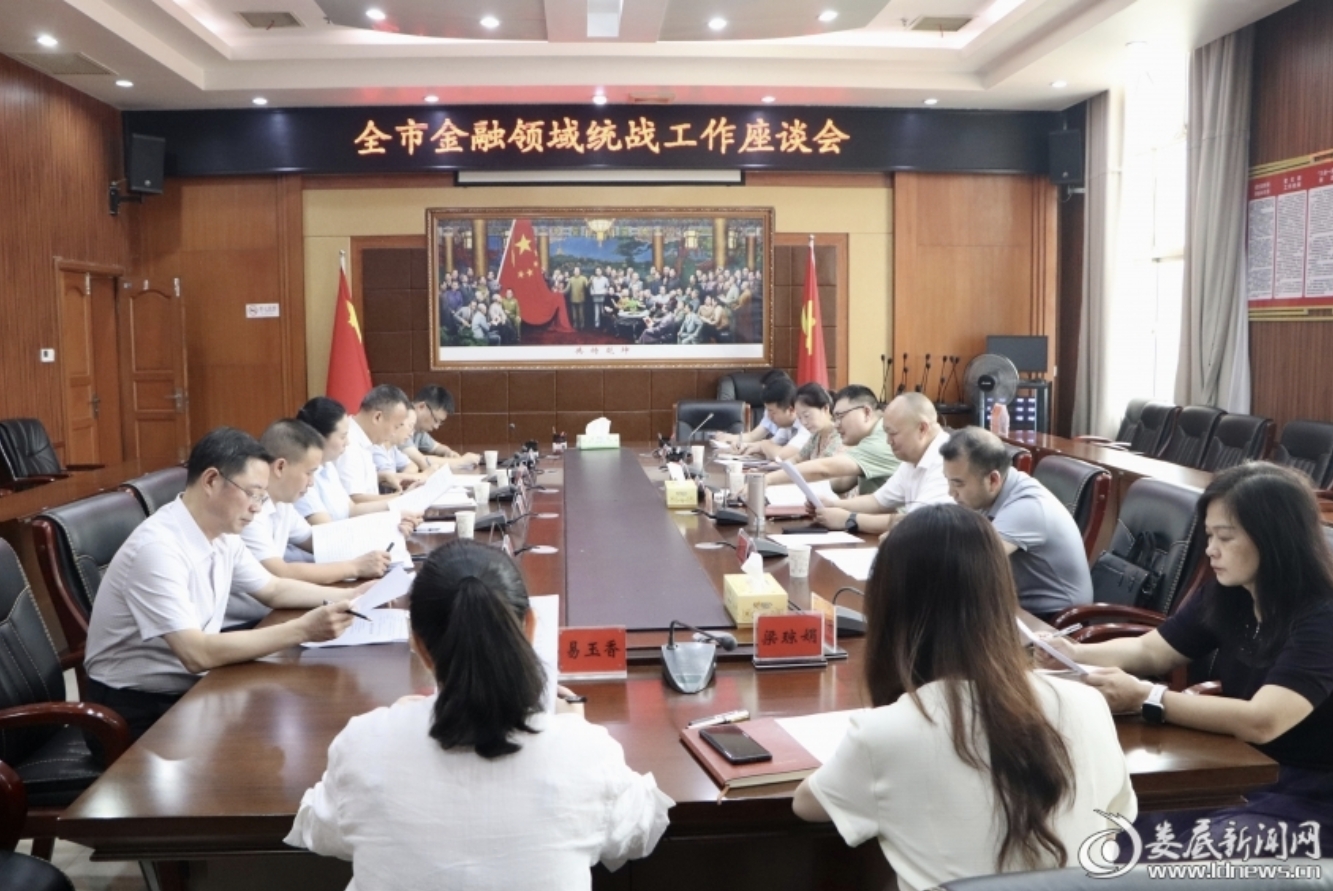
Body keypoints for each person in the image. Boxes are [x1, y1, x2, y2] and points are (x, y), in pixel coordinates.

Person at [285, 539, 673, 889]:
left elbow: (317, 829)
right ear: (530, 627)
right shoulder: (584, 751)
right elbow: (642, 831)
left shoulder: (364, 743)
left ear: (418, 643)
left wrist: (392, 723)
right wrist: (573, 725)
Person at [793, 505, 1135, 891]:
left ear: (889, 609)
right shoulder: (1088, 704)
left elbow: (807, 805)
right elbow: (1118, 814)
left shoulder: (884, 733)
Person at [1039, 462, 1333, 850]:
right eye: (1209, 535)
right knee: (1113, 823)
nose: (1211, 550)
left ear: (1275, 538)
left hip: (1310, 793)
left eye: (1225, 537)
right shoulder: (1229, 593)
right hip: (1239, 767)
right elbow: (1151, 650)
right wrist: (1075, 652)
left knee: (1189, 852)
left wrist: (1148, 698)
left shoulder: (1322, 616)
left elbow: (1264, 720)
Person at [83, 427, 359, 740]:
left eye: (262, 497)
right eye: (252, 494)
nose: (257, 507)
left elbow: (273, 589)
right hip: (136, 709)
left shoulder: (222, 533)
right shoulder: (157, 549)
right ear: (212, 480)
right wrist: (304, 630)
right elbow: (196, 653)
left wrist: (351, 595)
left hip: (194, 686)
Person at [231, 419, 391, 627]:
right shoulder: (248, 511)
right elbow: (280, 573)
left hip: (275, 611)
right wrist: (354, 567)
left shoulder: (283, 504)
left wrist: (385, 534)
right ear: (280, 466)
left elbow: (319, 541)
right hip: (243, 623)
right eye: (309, 473)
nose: (312, 482)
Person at [938, 427, 1092, 619]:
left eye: (958, 484)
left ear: (993, 480)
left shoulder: (1026, 507)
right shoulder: (991, 491)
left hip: (1055, 619)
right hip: (1018, 605)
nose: (950, 492)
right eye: (948, 481)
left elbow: (972, 565)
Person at [814, 392, 951, 535]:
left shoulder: (946, 459)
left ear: (922, 428)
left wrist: (849, 519)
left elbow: (920, 523)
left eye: (893, 433)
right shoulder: (913, 457)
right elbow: (879, 501)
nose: (888, 441)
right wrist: (833, 505)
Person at [294, 396, 419, 536]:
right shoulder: (302, 479)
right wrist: (390, 523)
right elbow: (330, 534)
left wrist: (400, 507)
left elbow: (351, 509)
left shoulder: (328, 466)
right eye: (342, 436)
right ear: (318, 438)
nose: (347, 442)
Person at [766, 384, 899, 496]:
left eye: (840, 416)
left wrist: (768, 480)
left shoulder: (881, 440)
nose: (836, 424)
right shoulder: (870, 437)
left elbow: (825, 469)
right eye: (836, 418)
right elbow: (841, 483)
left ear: (866, 412)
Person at [335, 385, 412, 505]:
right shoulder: (348, 444)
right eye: (396, 426)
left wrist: (381, 477)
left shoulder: (363, 438)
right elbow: (355, 500)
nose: (393, 433)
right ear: (377, 417)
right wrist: (404, 497)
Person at [401, 385, 480, 472]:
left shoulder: (418, 430)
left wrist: (448, 452)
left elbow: (437, 447)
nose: (436, 427)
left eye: (440, 422)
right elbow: (421, 461)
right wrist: (461, 462)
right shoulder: (401, 422)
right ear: (421, 407)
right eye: (435, 420)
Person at [791, 382, 843, 461]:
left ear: (825, 408)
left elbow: (823, 465)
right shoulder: (815, 436)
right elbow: (797, 458)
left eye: (806, 416)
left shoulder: (839, 436)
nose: (804, 422)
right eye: (800, 418)